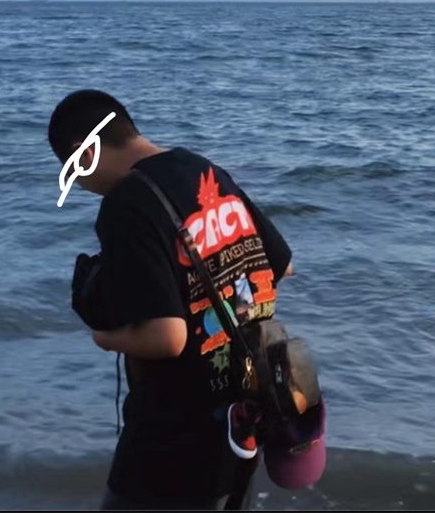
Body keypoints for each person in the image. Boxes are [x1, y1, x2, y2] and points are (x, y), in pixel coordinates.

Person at [47, 90, 294, 510]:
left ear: (84, 153)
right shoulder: (203, 169)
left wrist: (105, 339)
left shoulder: (127, 203)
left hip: (173, 436)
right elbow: (280, 265)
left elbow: (167, 338)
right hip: (245, 415)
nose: (84, 187)